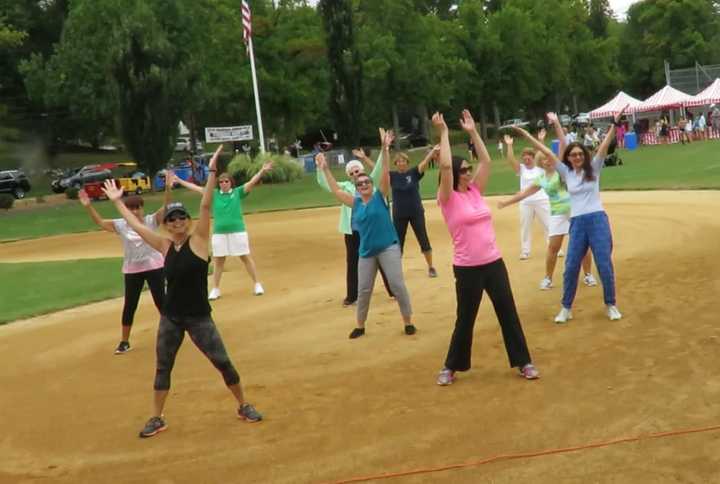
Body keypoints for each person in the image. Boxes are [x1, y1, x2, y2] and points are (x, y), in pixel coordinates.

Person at [101, 146, 262, 438]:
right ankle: (156, 417)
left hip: (200, 317)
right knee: (163, 366)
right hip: (172, 318)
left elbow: (204, 205)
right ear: (167, 224)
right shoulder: (164, 246)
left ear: (187, 221)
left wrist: (212, 171)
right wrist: (117, 203)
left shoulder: (199, 240)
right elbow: (136, 224)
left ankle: (243, 404)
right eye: (172, 220)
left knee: (222, 362)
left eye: (180, 218)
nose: (176, 222)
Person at [434, 109, 539, 385]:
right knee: (465, 318)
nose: (469, 172)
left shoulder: (475, 191)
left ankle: (524, 361)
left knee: (508, 311)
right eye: (465, 170)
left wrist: (472, 132)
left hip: (493, 263)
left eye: (470, 169)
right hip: (467, 267)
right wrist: (444, 133)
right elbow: (444, 167)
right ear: (456, 174)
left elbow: (487, 160)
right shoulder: (447, 198)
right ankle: (450, 366)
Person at [512, 106, 628, 323]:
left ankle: (611, 304)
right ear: (569, 158)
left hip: (597, 219)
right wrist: (527, 135)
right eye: (572, 155)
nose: (575, 157)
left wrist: (614, 124)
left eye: (578, 154)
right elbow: (545, 152)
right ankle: (566, 308)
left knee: (603, 263)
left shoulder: (594, 167)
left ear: (584, 155)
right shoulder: (565, 172)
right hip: (577, 222)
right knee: (571, 265)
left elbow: (603, 147)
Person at [316, 130, 417, 339]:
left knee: (397, 285)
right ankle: (360, 326)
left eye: (366, 182)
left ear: (372, 184)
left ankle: (408, 321)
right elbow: (335, 190)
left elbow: (386, 173)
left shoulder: (380, 196)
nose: (363, 185)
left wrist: (385, 148)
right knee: (363, 290)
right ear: (356, 187)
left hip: (388, 247)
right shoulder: (355, 202)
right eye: (359, 183)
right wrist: (325, 169)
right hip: (367, 252)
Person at [78, 181, 171, 354]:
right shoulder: (120, 224)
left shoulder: (151, 221)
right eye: (131, 209)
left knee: (162, 302)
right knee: (130, 305)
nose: (135, 212)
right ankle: (124, 341)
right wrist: (88, 206)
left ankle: (171, 335)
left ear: (143, 208)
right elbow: (100, 222)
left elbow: (166, 207)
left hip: (154, 266)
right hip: (132, 269)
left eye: (138, 208)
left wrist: (167, 189)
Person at [498, 143, 596, 291]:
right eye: (544, 159)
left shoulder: (563, 173)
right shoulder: (541, 179)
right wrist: (506, 203)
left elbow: (565, 148)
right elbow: (524, 194)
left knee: (582, 245)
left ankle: (588, 274)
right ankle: (548, 278)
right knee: (553, 247)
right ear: (541, 162)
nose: (547, 161)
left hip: (574, 212)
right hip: (557, 214)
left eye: (549, 158)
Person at [173, 163, 273, 299]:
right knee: (219, 260)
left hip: (237, 231)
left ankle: (256, 284)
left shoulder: (238, 192)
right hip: (219, 233)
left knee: (245, 257)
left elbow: (251, 182)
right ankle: (215, 289)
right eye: (221, 182)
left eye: (226, 181)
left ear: (231, 183)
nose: (223, 184)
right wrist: (179, 181)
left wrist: (262, 171)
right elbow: (196, 188)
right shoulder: (213, 194)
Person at [316, 147, 396, 306]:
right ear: (348, 176)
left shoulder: (370, 182)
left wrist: (384, 149)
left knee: (380, 260)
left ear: (362, 170)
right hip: (352, 231)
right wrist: (321, 168)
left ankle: (393, 290)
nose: (355, 174)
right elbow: (326, 184)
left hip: (371, 230)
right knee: (352, 262)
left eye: (357, 170)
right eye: (351, 173)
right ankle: (352, 296)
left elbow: (380, 168)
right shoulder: (345, 187)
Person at [389, 148, 438, 278]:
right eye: (398, 161)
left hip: (416, 212)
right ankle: (396, 271)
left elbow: (424, 164)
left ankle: (431, 267)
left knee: (423, 238)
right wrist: (364, 158)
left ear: (407, 162)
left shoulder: (413, 173)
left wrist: (432, 153)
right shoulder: (392, 176)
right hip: (399, 214)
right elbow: (378, 170)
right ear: (395, 164)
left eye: (403, 160)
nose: (401, 163)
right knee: (398, 242)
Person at [503, 132, 550, 260]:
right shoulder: (522, 169)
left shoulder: (540, 167)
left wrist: (541, 140)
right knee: (525, 227)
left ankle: (554, 247)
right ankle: (525, 251)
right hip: (525, 201)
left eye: (529, 156)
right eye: (524, 156)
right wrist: (509, 145)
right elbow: (510, 160)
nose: (527, 158)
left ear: (533, 157)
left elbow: (543, 152)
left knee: (548, 224)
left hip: (542, 200)